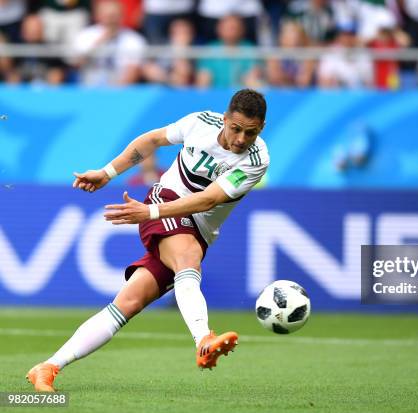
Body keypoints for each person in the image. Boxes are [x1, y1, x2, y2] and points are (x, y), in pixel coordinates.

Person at [26, 89, 270, 392]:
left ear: (260, 129)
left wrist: (149, 212)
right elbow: (153, 139)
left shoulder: (257, 159)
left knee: (128, 303)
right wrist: (108, 172)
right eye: (236, 129)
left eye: (251, 132)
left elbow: (209, 200)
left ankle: (48, 367)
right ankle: (203, 340)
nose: (241, 140)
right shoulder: (200, 123)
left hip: (193, 226)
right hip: (165, 201)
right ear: (225, 120)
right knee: (188, 258)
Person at [71, 0, 147, 86]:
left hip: (120, 90)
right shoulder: (85, 36)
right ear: (98, 16)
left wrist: (115, 93)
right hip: (89, 87)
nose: (111, 20)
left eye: (114, 16)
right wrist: (101, 42)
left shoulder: (133, 39)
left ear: (122, 16)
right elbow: (77, 63)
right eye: (108, 16)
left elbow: (133, 70)